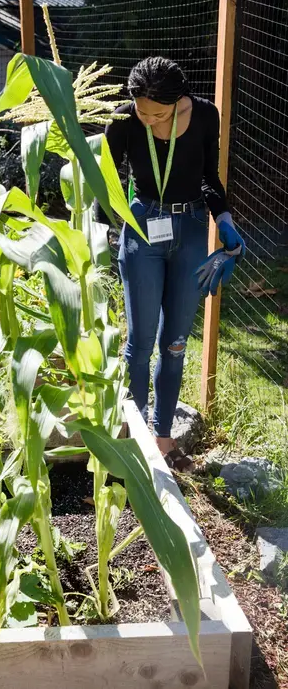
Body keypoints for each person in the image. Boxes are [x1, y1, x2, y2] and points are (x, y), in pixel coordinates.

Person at [98, 57, 244, 470]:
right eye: (141, 111)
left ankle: (163, 440)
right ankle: (133, 440)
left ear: (180, 101)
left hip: (192, 228)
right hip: (143, 224)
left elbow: (208, 177)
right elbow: (104, 178)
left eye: (157, 114)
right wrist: (98, 228)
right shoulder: (125, 120)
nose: (147, 120)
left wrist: (225, 220)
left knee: (176, 344)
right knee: (141, 342)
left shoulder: (204, 115)